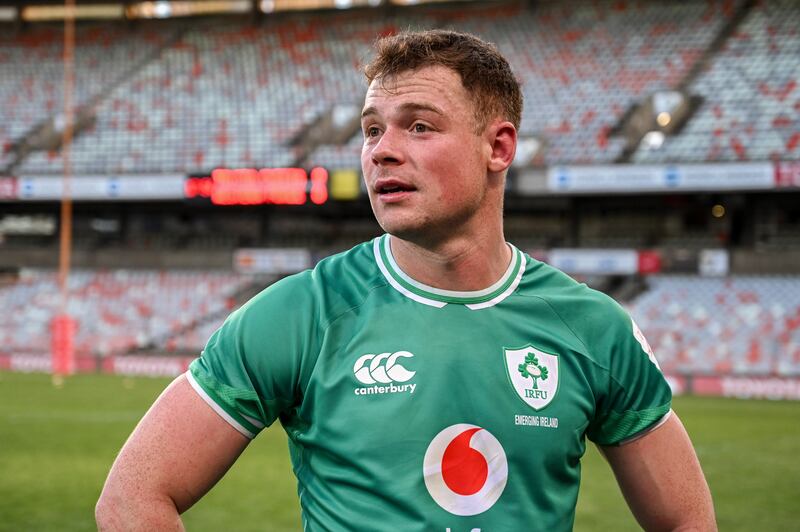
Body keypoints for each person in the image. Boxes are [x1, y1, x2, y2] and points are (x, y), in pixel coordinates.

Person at [96, 30, 716, 531]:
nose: (381, 151)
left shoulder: (593, 329)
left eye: (418, 125)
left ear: (498, 147)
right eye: (372, 129)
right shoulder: (300, 314)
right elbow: (132, 499)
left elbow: (687, 520)